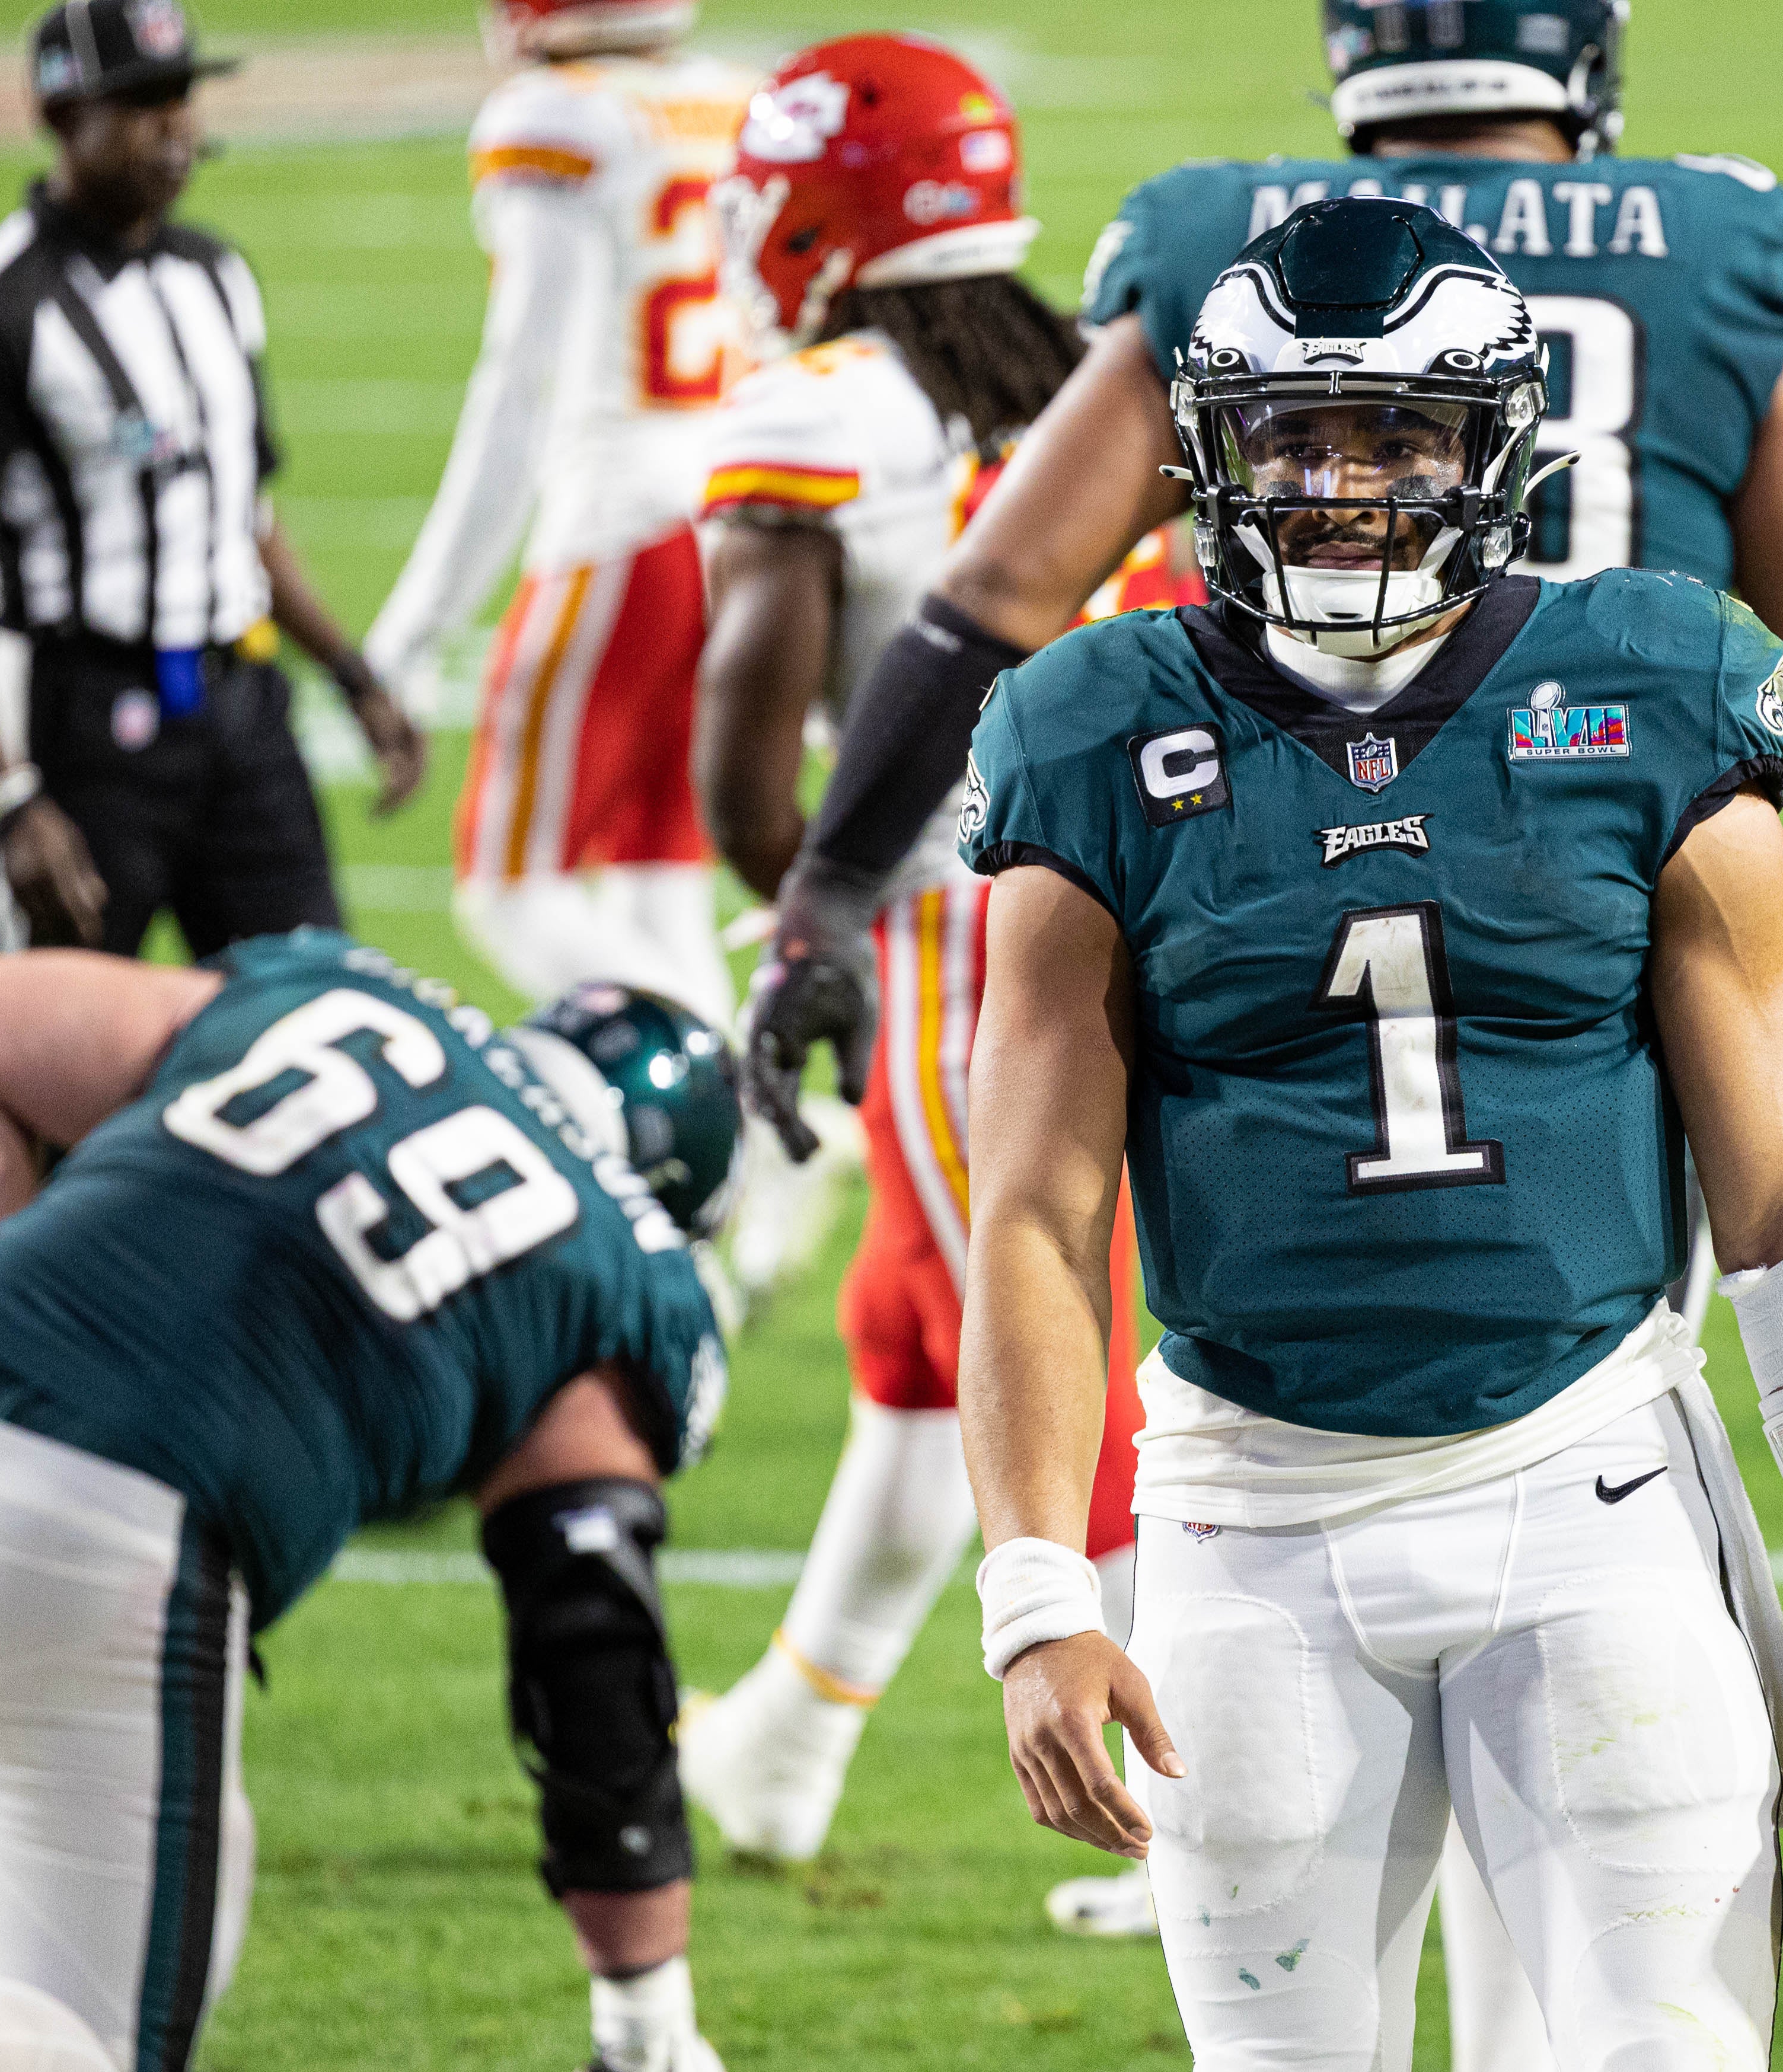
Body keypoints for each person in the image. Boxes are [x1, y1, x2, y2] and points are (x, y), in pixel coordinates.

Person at [954, 197, 1783, 2068]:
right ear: (1215, 452)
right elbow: (1036, 1218)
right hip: (1246, 1518)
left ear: (1496, 445)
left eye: (1392, 431)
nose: (1338, 482)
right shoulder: (1088, 726)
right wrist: (1034, 1603)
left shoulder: (1651, 690)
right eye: (1291, 433)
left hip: (1588, 1497)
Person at [742, 0, 1783, 1241]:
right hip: (1608, 860)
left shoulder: (1225, 245)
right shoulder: (1721, 246)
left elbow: (992, 599)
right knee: (1620, 1315)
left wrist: (825, 899)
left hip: (1278, 860)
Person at [0, 931, 739, 2072]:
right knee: (81, 2047)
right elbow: (592, 1639)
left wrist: (40, 1368)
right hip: (83, 1546)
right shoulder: (614, 1269)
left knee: (36, 1985)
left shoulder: (342, 997)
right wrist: (647, 2026)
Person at [669, 34, 1191, 1870]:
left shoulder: (819, 411)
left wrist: (810, 909)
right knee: (910, 1335)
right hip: (1164, 900)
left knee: (1055, 1360)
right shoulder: (1080, 376)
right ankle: (788, 1747)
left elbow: (750, 791)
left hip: (976, 951)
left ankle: (1193, 1830)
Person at [0, 0, 425, 962]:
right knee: (59, 1062)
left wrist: (351, 673)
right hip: (81, 721)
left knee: (318, 1014)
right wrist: (9, 795)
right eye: (139, 104)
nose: (175, 127)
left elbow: (246, 516)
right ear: (61, 117)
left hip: (242, 705)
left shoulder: (216, 276)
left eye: (181, 97)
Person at [360, 0, 756, 1030]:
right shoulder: (730, 100)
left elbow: (519, 388)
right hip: (728, 521)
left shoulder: (558, 117)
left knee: (509, 890)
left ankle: (743, 1095)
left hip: (621, 524)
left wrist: (416, 625)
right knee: (657, 884)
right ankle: (747, 1157)